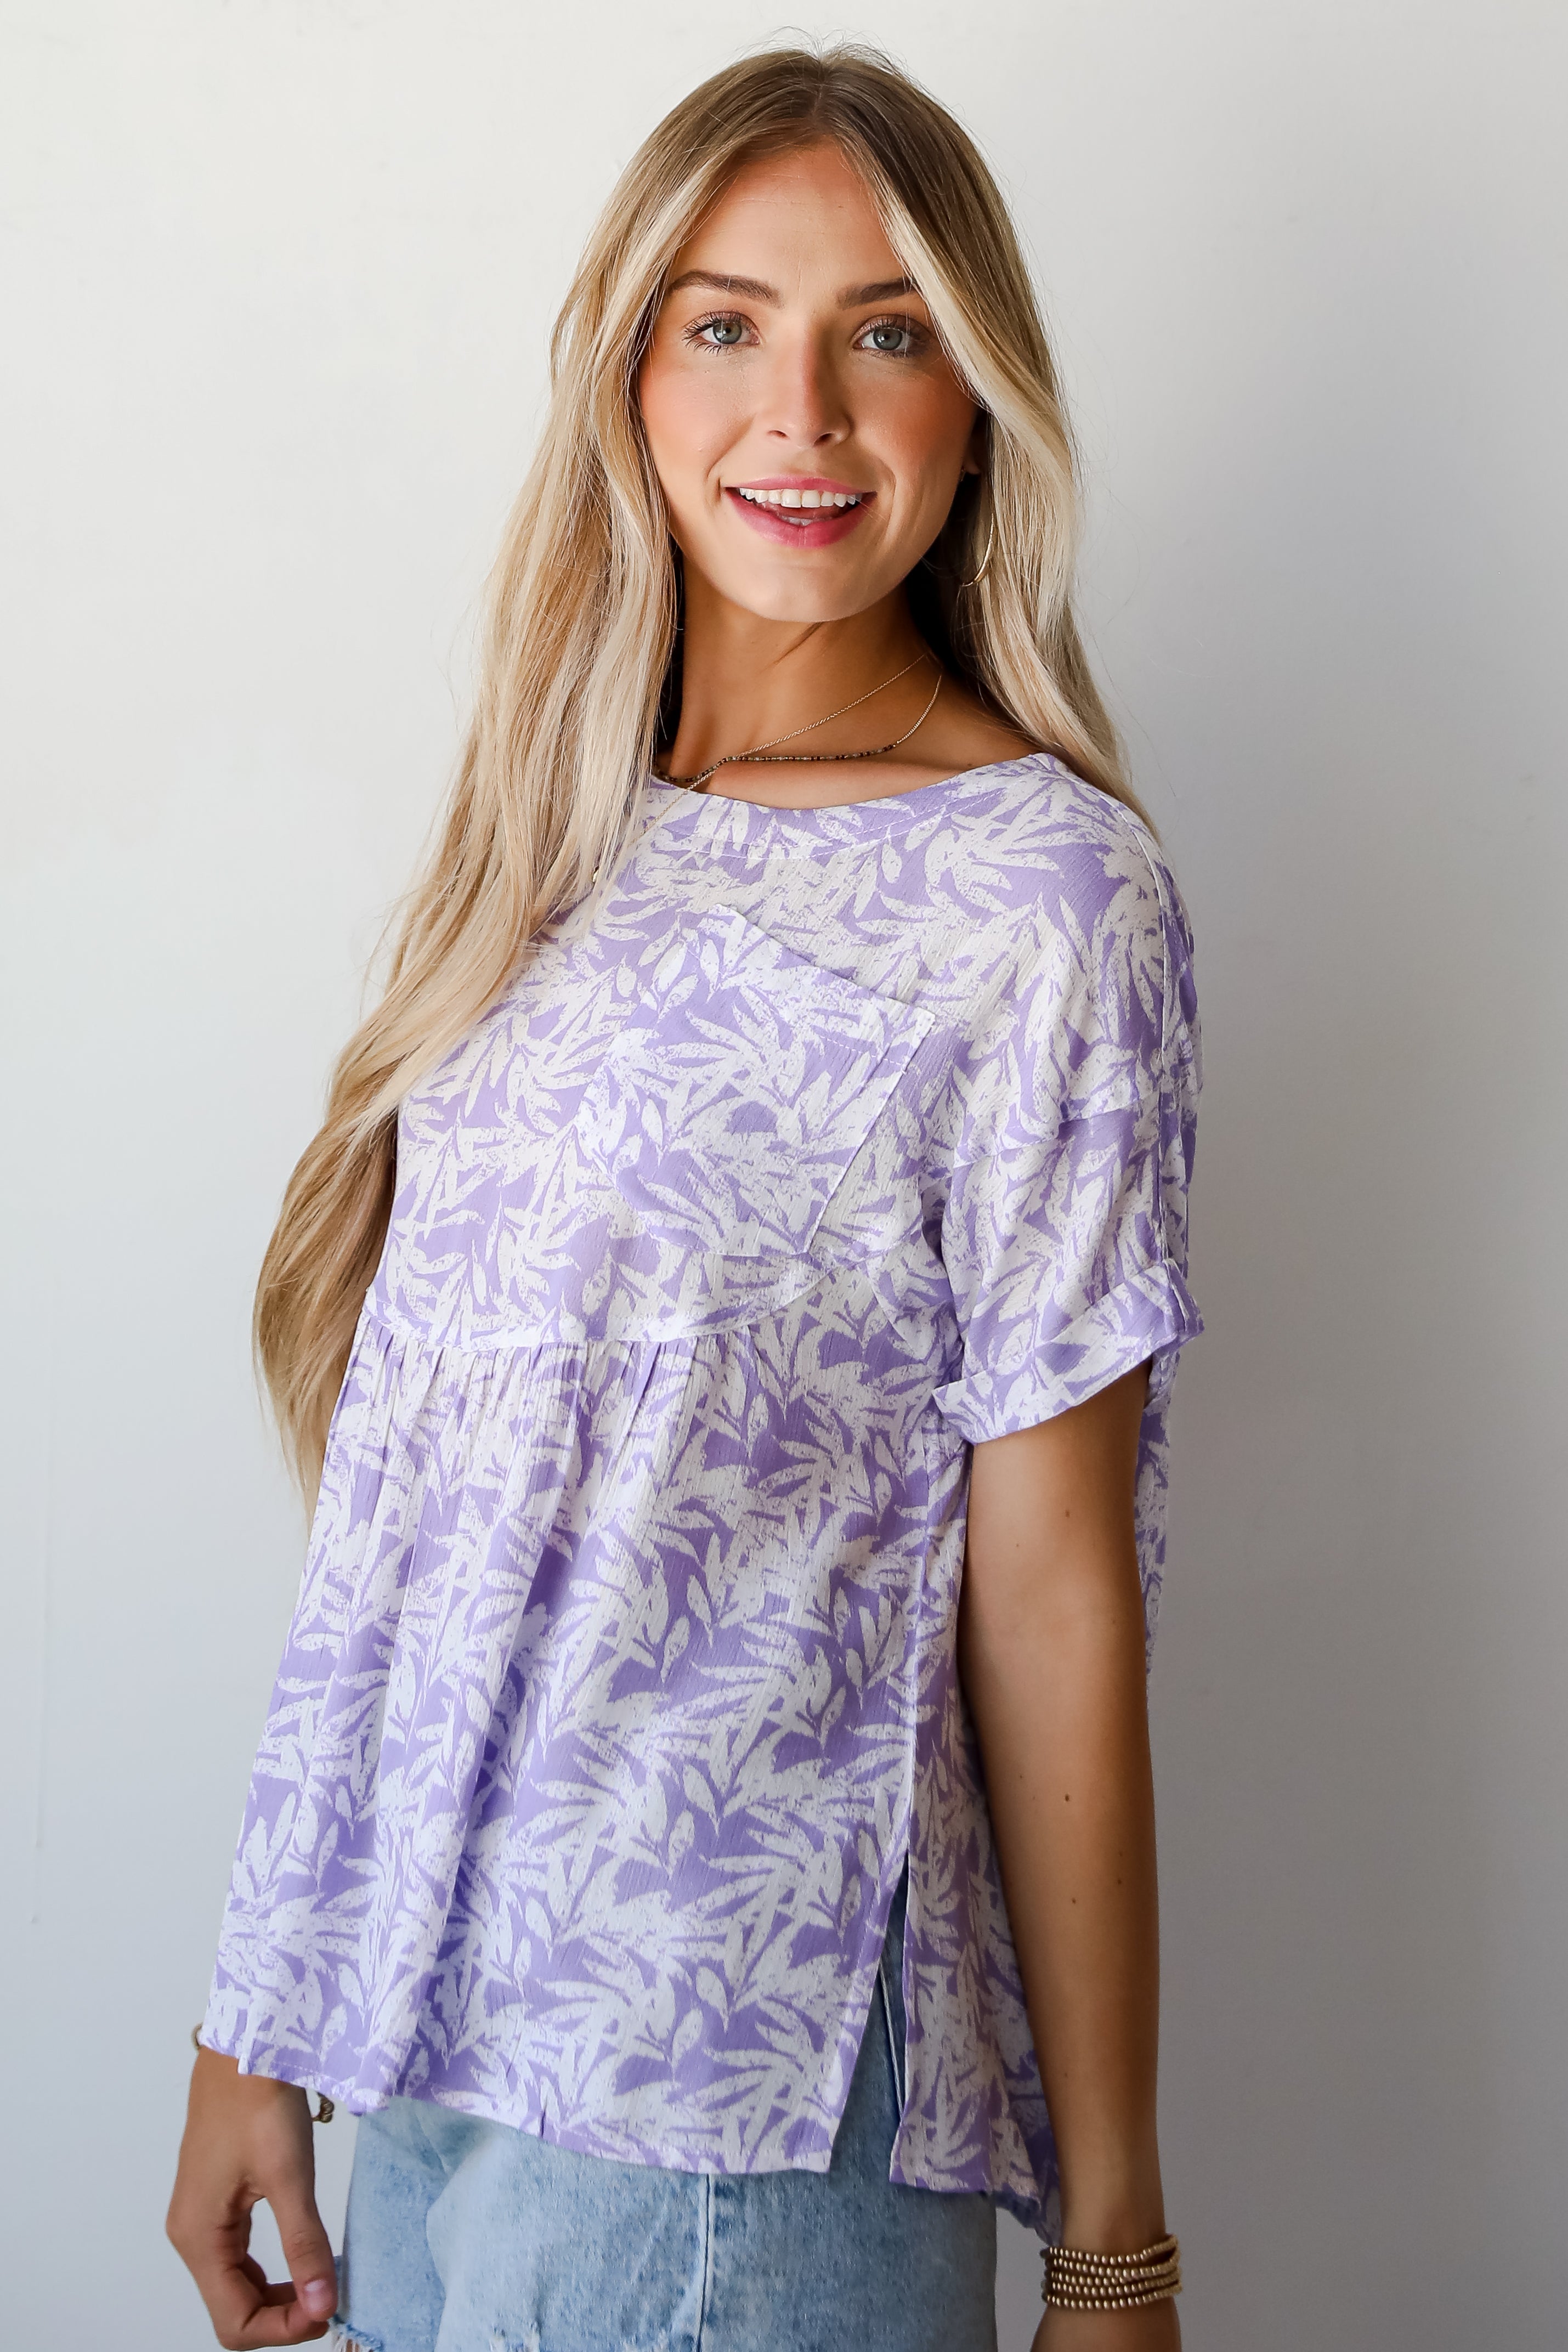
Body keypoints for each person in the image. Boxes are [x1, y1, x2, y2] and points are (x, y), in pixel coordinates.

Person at [166, 43, 1201, 2352]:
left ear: (975, 401)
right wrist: (259, 2020)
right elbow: (423, 1491)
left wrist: (1114, 2243)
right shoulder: (551, 835)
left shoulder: (1039, 898)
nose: (799, 414)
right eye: (724, 324)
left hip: (740, 2118)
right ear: (629, 375)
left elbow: (1053, 1589)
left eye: (884, 330)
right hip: (430, 2074)